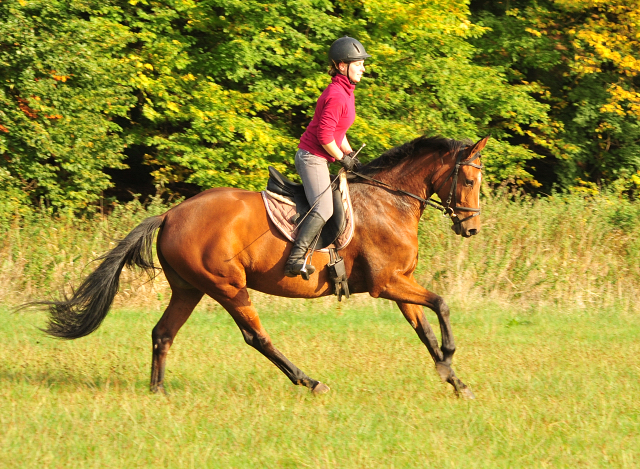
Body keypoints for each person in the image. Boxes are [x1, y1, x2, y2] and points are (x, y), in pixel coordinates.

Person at [284, 36, 371, 278]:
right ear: (342, 66)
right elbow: (324, 137)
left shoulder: (347, 92)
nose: (363, 68)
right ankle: (294, 259)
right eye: (359, 63)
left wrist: (349, 153)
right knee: (323, 208)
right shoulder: (336, 94)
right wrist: (342, 159)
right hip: (311, 157)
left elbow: (338, 132)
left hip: (322, 156)